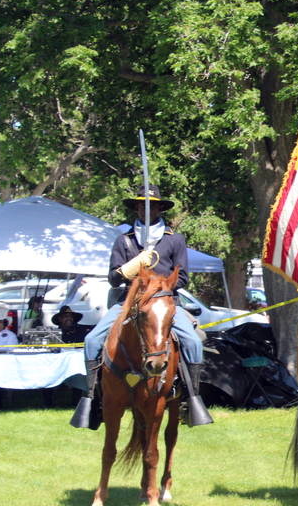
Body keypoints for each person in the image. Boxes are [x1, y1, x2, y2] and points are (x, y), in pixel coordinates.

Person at [73, 184, 211, 429]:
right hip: (128, 303)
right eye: (141, 205)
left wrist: (158, 286)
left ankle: (190, 399)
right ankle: (92, 400)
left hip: (164, 304)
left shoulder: (174, 240)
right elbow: (113, 279)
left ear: (160, 208)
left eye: (151, 206)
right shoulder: (124, 241)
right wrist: (132, 266)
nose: (146, 210)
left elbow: (182, 278)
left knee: (192, 342)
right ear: (136, 208)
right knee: (92, 341)